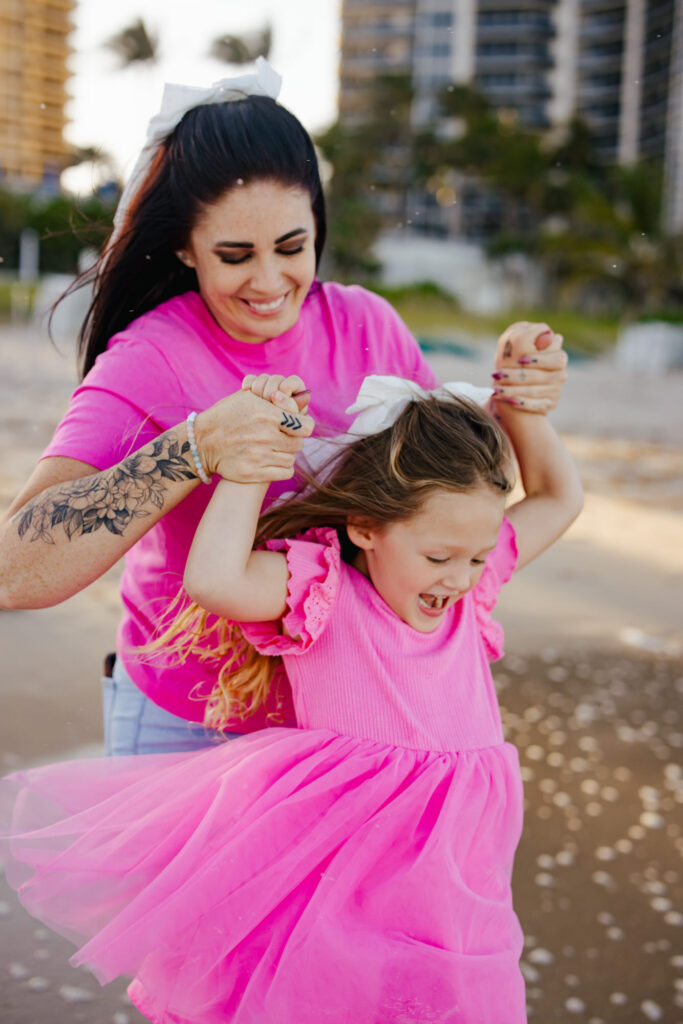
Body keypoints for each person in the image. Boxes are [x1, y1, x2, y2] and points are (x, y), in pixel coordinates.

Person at [0, 58, 568, 756]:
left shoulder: (367, 325)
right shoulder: (149, 359)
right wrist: (196, 447)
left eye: (292, 247)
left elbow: (446, 495)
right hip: (185, 724)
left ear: (317, 224)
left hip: (346, 724)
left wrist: (518, 397)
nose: (269, 282)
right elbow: (13, 570)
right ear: (185, 246)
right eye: (235, 255)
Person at [0, 351, 583, 1023]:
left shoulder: (469, 592)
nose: (460, 577)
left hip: (449, 891)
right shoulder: (323, 590)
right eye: (438, 557)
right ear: (365, 528)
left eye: (477, 557)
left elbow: (560, 498)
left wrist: (525, 410)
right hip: (335, 875)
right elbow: (214, 579)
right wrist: (250, 465)